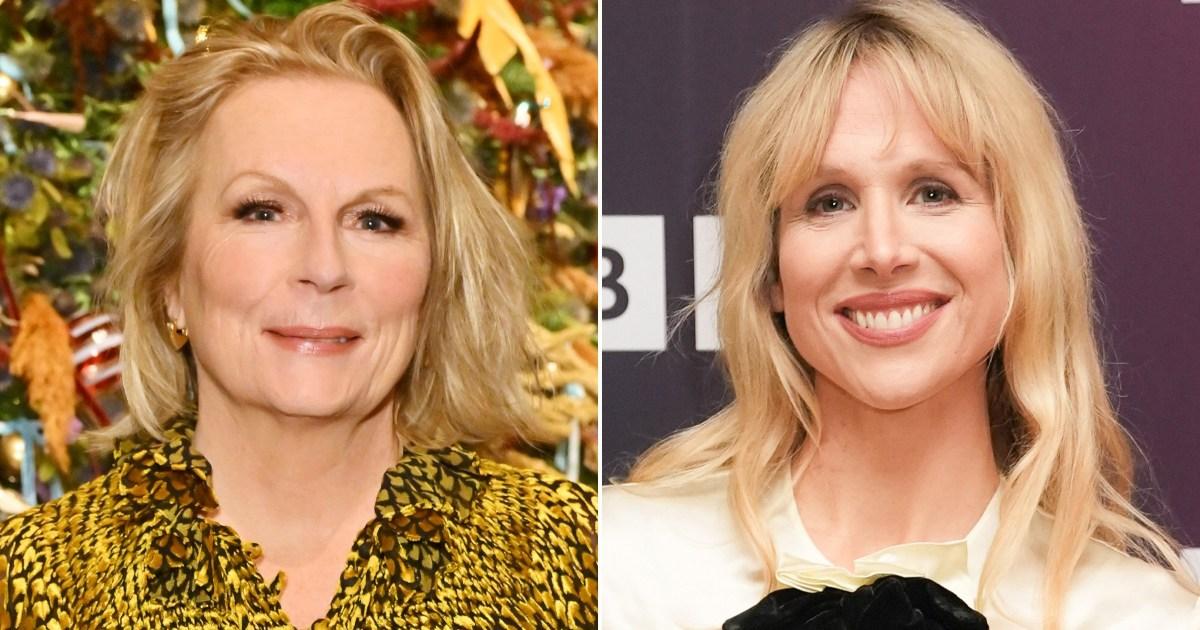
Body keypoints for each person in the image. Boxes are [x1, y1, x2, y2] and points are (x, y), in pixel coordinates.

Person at [602, 1, 1198, 628]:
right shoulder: (621, 572)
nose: (883, 251)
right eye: (830, 202)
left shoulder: (1146, 617)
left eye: (933, 193)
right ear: (771, 269)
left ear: (1022, 246)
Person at [0, 4, 596, 628]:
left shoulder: (581, 563)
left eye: (374, 221)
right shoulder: (32, 584)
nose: (324, 266)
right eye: (263, 212)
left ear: (435, 277)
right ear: (169, 277)